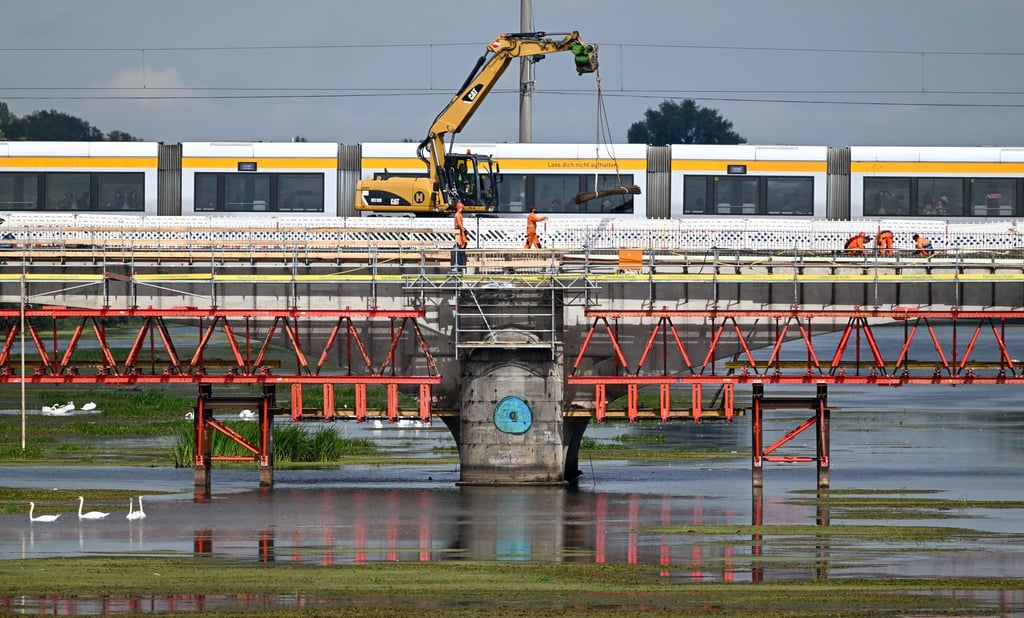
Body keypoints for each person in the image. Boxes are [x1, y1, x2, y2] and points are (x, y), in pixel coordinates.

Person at [452, 202, 467, 270]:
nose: (462, 209)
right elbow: (459, 224)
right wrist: (463, 229)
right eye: (461, 208)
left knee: (460, 246)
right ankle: (460, 264)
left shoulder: (459, 214)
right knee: (459, 246)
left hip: (459, 232)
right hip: (459, 233)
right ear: (459, 208)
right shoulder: (458, 215)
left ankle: (460, 264)